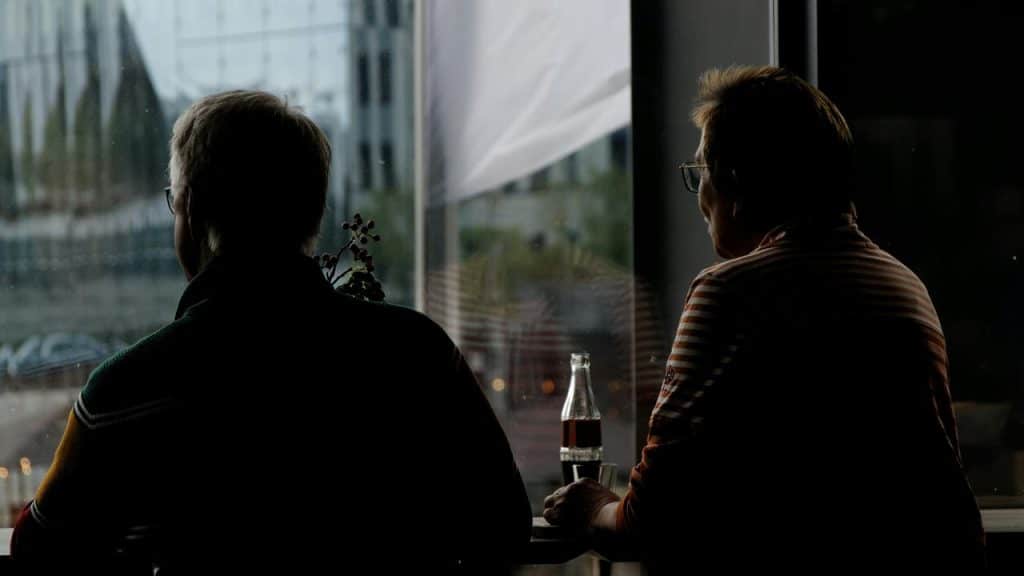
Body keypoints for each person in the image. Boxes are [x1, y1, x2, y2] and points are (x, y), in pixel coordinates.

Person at [11, 90, 531, 573]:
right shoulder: (417, 354)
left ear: (190, 208)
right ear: (311, 214)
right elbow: (505, 526)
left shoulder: (127, 389)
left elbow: (39, 548)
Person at [543, 66, 985, 571]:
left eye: (700, 175)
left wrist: (593, 506)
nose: (701, 200)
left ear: (733, 181)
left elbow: (653, 518)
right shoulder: (906, 287)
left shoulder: (730, 292)